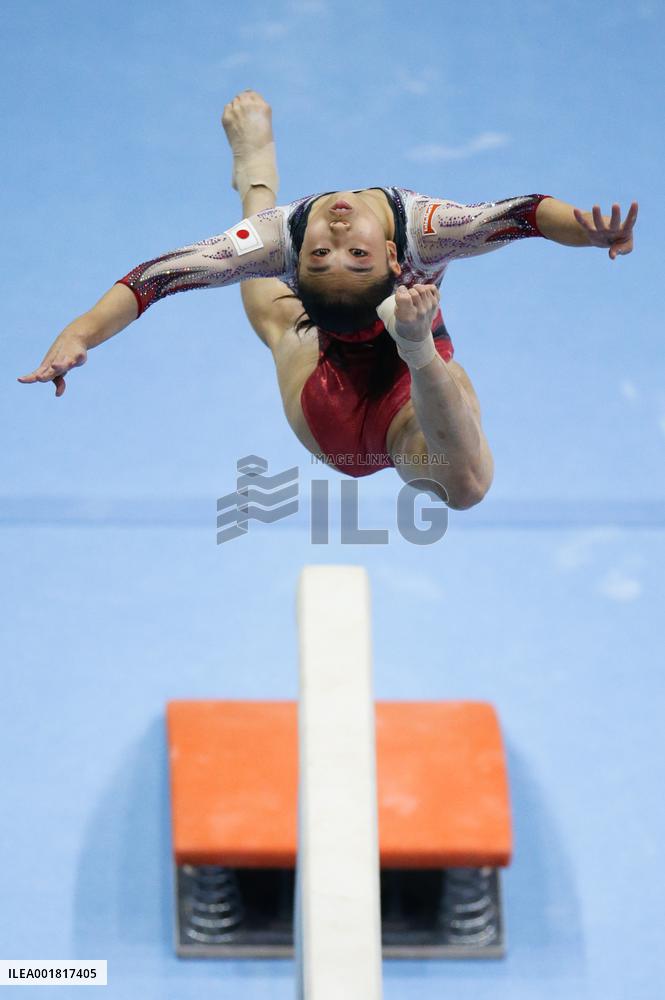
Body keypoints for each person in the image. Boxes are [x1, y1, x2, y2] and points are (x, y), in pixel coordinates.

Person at [18, 91, 638, 510]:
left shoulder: (285, 241)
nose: (337, 236)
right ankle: (412, 343)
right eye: (329, 256)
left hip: (385, 350)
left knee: (275, 315)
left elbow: (526, 215)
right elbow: (156, 280)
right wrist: (84, 333)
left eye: (334, 255)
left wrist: (585, 231)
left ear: (397, 264)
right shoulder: (415, 232)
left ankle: (257, 176)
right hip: (342, 414)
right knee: (465, 479)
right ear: (398, 265)